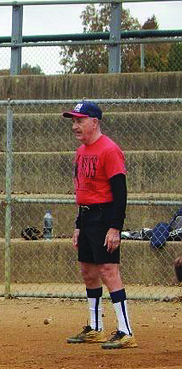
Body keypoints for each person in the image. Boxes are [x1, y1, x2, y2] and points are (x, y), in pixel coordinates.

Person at [63, 101, 136, 349]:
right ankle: (95, 327)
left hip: (105, 217)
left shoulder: (109, 150)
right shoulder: (81, 152)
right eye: (73, 121)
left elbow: (120, 193)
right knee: (88, 271)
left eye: (79, 120)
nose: (75, 126)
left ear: (94, 122)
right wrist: (78, 225)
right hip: (87, 217)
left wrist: (115, 227)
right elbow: (83, 191)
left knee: (108, 271)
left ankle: (126, 331)